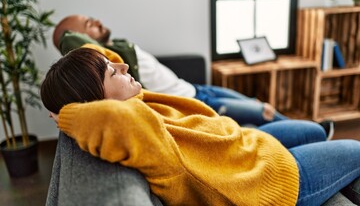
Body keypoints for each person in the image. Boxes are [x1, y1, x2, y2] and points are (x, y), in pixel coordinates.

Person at [41, 46, 360, 206]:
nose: (123, 65)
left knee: (313, 130)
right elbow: (113, 119)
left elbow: (103, 55)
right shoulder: (135, 126)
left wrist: (94, 67)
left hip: (244, 147)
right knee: (356, 150)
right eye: (113, 73)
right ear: (95, 105)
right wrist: (67, 112)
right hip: (266, 186)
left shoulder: (135, 100)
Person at [52, 15, 334, 130]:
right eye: (89, 23)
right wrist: (66, 36)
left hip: (196, 88)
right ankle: (312, 132)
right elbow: (73, 43)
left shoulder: (116, 48)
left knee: (261, 107)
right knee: (264, 113)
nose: (97, 21)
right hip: (197, 103)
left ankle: (310, 132)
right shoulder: (101, 59)